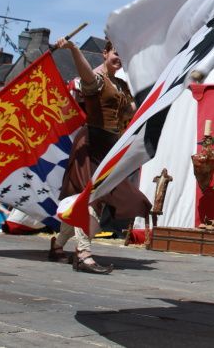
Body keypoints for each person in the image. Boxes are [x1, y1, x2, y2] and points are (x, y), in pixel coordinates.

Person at [52, 38, 151, 273]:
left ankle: (57, 244)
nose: (119, 59)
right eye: (116, 53)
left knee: (100, 197)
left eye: (123, 55)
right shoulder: (96, 79)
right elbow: (86, 76)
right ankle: (83, 255)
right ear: (105, 53)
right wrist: (74, 49)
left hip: (109, 148)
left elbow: (131, 113)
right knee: (91, 198)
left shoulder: (122, 86)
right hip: (90, 145)